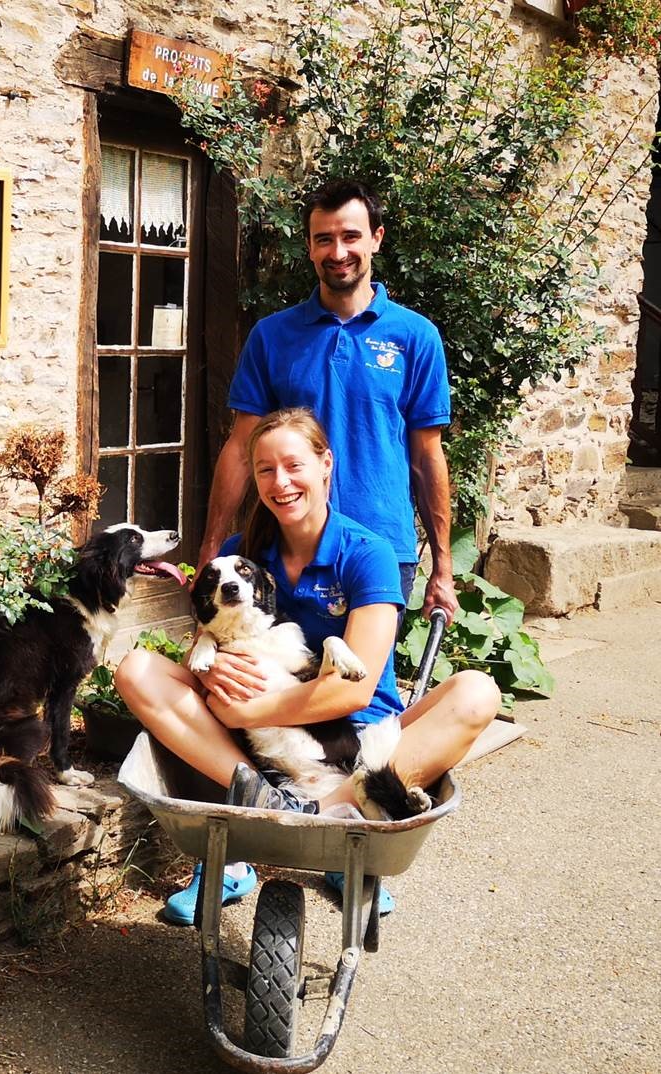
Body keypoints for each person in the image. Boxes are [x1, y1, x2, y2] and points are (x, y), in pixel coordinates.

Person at [116, 408, 499, 924]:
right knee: (136, 669)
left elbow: (353, 693)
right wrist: (205, 667)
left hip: (355, 735)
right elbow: (207, 638)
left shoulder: (367, 553)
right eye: (266, 470)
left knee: (477, 692)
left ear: (326, 464)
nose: (281, 482)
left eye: (294, 465)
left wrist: (244, 714)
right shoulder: (241, 555)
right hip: (256, 752)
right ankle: (261, 807)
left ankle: (336, 815)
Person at [197, 179, 457, 625]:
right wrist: (210, 547)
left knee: (359, 685)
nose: (338, 252)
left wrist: (444, 569)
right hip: (284, 550)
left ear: (376, 238)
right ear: (310, 247)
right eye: (324, 239)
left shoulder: (415, 337)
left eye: (351, 236)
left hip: (380, 549)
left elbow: (426, 457)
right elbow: (242, 448)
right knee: (268, 677)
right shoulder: (273, 337)